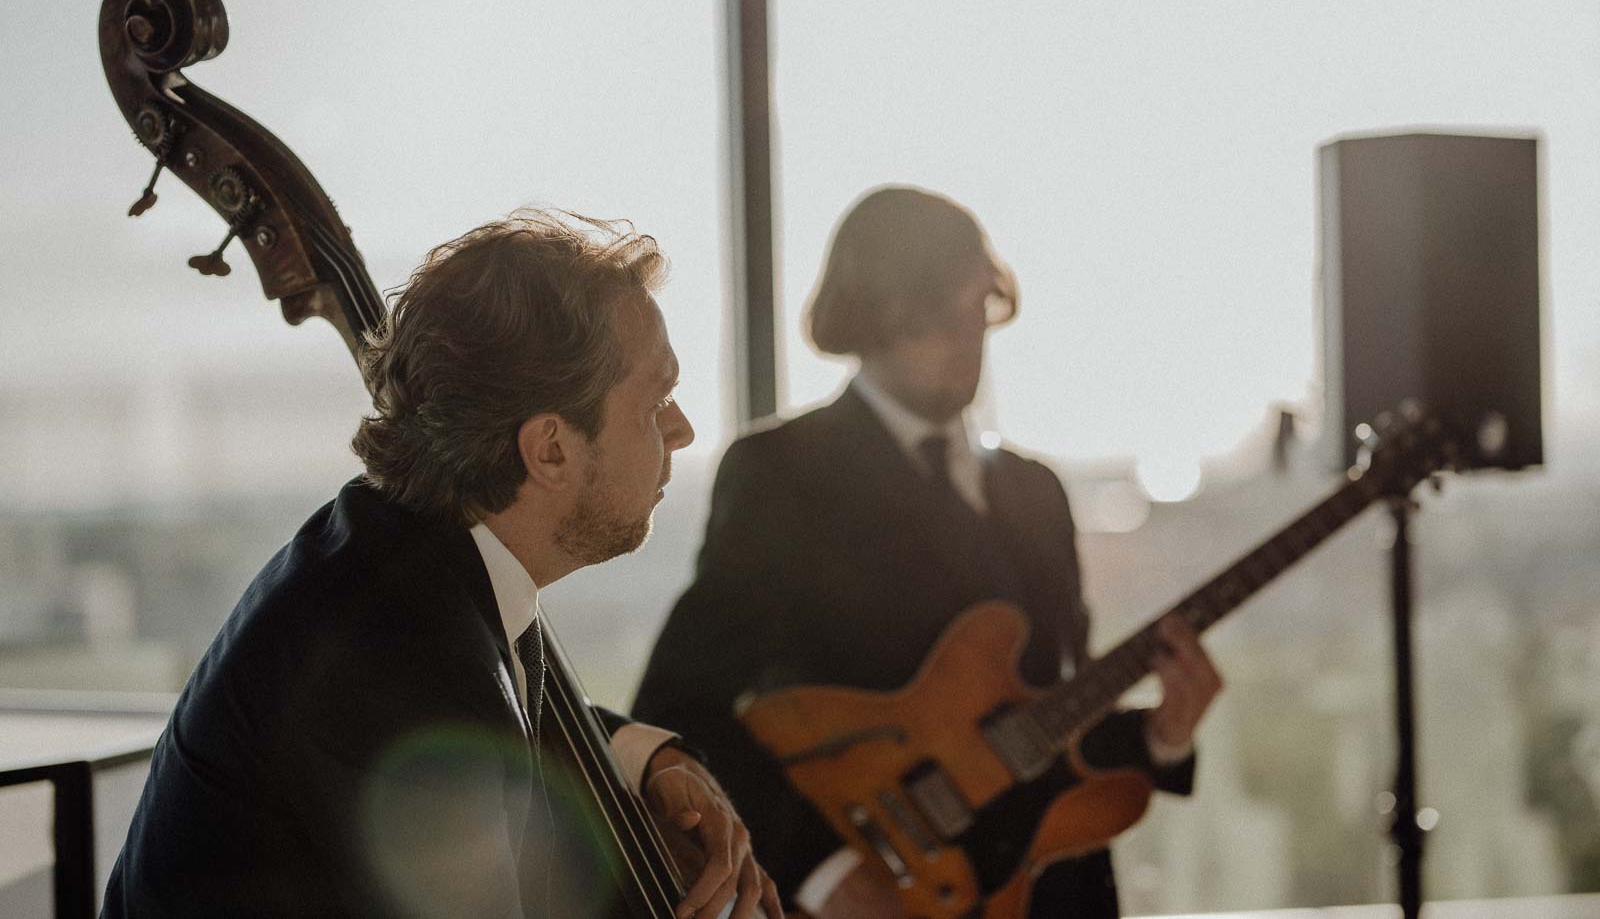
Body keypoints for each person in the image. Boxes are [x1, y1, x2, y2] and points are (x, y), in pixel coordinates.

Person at [103, 212, 781, 919]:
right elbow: (455, 715)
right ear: (549, 449)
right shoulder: (391, 647)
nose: (683, 430)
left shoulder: (406, 558)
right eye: (657, 399)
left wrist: (653, 760)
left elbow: (509, 720)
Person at [632, 185, 1223, 918]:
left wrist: (1163, 737)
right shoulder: (781, 473)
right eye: (936, 315)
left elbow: (1043, 723)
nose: (965, 337)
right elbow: (686, 709)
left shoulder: (1037, 492)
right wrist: (818, 870)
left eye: (977, 309)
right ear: (871, 317)